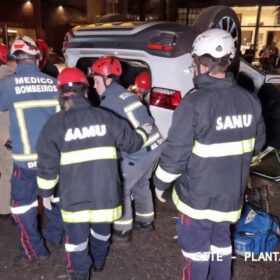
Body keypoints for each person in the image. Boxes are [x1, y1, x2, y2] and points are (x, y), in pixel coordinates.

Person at [153, 29, 266, 280]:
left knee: (197, 255)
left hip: (197, 201)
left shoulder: (194, 104)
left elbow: (175, 153)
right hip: (230, 198)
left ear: (201, 65)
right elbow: (256, 146)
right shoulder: (250, 101)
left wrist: (160, 184)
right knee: (221, 248)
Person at [36, 67, 149, 280]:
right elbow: (133, 143)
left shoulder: (54, 124)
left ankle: (80, 274)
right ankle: (98, 262)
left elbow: (46, 164)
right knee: (101, 233)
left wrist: (46, 192)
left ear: (59, 94)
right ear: (86, 91)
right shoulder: (105, 117)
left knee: (76, 242)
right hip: (104, 196)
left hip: (73, 199)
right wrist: (144, 129)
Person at [0, 36, 64, 265]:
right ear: (37, 59)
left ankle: (35, 252)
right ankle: (56, 237)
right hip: (54, 159)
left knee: (22, 209)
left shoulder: (9, 84)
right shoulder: (54, 82)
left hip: (25, 162)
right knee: (54, 199)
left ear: (15, 59)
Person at [90, 56, 162, 241]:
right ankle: (146, 222)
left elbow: (114, 138)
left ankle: (122, 230)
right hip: (155, 147)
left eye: (97, 81)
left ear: (108, 80)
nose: (94, 86)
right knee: (141, 183)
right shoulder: (126, 93)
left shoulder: (109, 104)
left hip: (140, 151)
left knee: (120, 187)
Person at [0, 43, 17, 218]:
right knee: (9, 173)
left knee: (5, 172)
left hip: (3, 136)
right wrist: (5, 138)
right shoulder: (7, 80)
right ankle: (6, 209)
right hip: (6, 137)